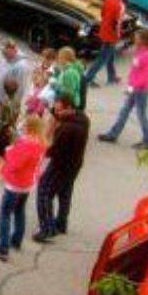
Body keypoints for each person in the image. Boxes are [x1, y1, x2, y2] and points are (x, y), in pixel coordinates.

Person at [33, 96, 91, 242]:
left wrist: (39, 147)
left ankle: (47, 228)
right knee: (65, 192)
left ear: (69, 108)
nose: (56, 113)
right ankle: (61, 222)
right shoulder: (83, 118)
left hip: (60, 165)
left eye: (59, 110)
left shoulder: (66, 129)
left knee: (44, 192)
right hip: (74, 165)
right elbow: (56, 111)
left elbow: (53, 151)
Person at [0, 114, 47, 261]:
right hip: (27, 185)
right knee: (19, 211)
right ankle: (16, 240)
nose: (21, 126)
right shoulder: (41, 143)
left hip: (15, 185)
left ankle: (3, 248)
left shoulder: (25, 144)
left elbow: (15, 164)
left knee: (5, 214)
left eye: (24, 124)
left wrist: (9, 151)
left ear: (28, 127)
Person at [99, 29, 148, 151]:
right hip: (135, 88)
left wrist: (132, 88)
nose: (134, 39)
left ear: (143, 40)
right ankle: (112, 134)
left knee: (141, 115)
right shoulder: (139, 52)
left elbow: (145, 77)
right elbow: (135, 71)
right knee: (124, 111)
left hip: (140, 90)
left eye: (137, 38)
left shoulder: (147, 55)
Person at [85, 0, 128, 87]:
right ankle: (88, 78)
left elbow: (103, 13)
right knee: (102, 58)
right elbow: (117, 23)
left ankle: (112, 76)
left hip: (104, 30)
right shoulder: (120, 5)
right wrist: (117, 36)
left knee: (110, 55)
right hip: (111, 35)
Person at [51, 46, 85, 111]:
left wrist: (55, 86)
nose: (58, 60)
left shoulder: (70, 72)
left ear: (64, 58)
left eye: (59, 57)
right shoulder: (66, 69)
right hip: (65, 102)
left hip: (68, 104)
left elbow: (69, 92)